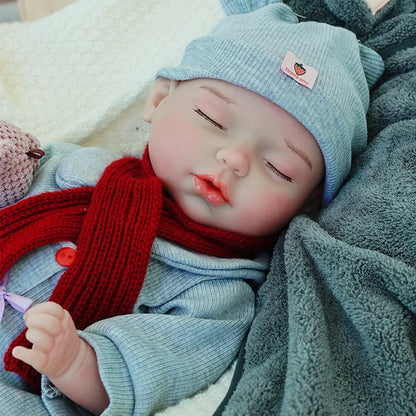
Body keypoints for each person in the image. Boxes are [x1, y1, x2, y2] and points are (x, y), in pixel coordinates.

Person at [0, 2, 383, 415]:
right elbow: (19, 174)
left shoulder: (218, 295)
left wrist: (76, 362)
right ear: (159, 98)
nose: (235, 158)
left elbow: (153, 368)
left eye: (279, 168)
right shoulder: (79, 167)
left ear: (306, 204)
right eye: (212, 118)